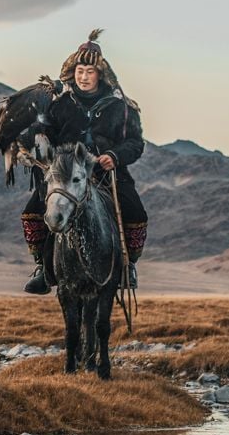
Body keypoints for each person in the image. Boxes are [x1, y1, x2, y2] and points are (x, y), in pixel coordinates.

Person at [21, 30, 147, 294]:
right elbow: (41, 133)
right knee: (33, 211)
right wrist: (30, 144)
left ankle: (128, 266)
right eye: (80, 71)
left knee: (136, 211)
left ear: (100, 74)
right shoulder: (58, 104)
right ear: (72, 72)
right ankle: (43, 268)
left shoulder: (121, 108)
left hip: (106, 174)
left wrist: (114, 156)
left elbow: (135, 143)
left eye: (89, 72)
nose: (84, 77)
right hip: (65, 175)